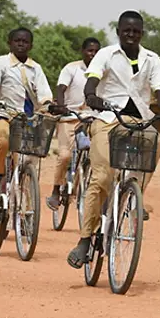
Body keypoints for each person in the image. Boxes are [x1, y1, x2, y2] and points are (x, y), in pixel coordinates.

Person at [66, 11, 160, 269]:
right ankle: (85, 239)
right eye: (127, 30)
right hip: (107, 119)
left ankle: (133, 194)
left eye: (136, 31)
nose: (131, 34)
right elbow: (92, 79)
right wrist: (91, 95)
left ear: (142, 34)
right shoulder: (106, 54)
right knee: (102, 177)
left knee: (156, 141)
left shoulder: (152, 59)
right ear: (119, 31)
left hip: (139, 120)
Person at [0, 27, 54, 197]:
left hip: (26, 117)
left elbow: (44, 94)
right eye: (17, 41)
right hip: (2, 113)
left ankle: (24, 195)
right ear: (9, 43)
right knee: (3, 141)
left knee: (28, 158)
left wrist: (50, 105)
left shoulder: (36, 69)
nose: (21, 44)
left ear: (31, 45)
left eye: (25, 41)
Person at [46, 37, 101, 211]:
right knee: (65, 156)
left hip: (92, 119)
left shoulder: (103, 72)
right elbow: (61, 88)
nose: (93, 54)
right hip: (69, 118)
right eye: (90, 51)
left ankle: (79, 190)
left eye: (96, 51)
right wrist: (61, 107)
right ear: (83, 51)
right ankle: (56, 190)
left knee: (96, 158)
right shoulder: (71, 68)